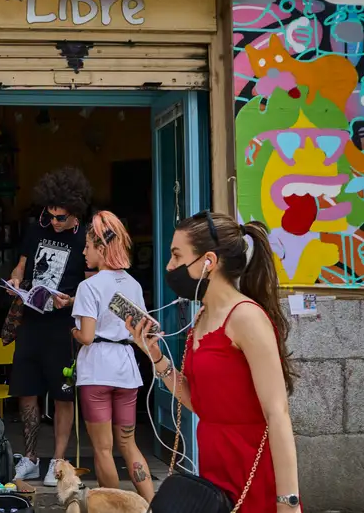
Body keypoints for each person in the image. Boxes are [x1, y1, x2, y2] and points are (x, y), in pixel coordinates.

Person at [127, 211, 302, 513]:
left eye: (176, 255)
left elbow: (277, 413)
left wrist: (288, 502)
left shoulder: (246, 317)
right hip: (214, 471)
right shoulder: (202, 316)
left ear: (209, 261)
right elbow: (200, 403)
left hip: (251, 469)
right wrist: (154, 356)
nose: (169, 266)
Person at [6, 167, 92, 486]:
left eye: (60, 218)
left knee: (62, 394)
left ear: (76, 215)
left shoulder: (86, 238)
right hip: (31, 319)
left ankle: (57, 460)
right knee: (26, 389)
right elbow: (23, 263)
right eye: (50, 215)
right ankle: (29, 458)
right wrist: (16, 279)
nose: (53, 222)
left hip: (63, 327)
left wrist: (69, 302)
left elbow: (93, 286)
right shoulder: (37, 226)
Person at [68, 211, 155, 503]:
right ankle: (152, 504)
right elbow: (138, 332)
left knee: (103, 449)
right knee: (128, 444)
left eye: (87, 246)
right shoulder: (132, 284)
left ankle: (117, 507)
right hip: (126, 368)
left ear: (101, 249)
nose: (83, 251)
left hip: (96, 370)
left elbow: (88, 336)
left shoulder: (88, 286)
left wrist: (74, 332)